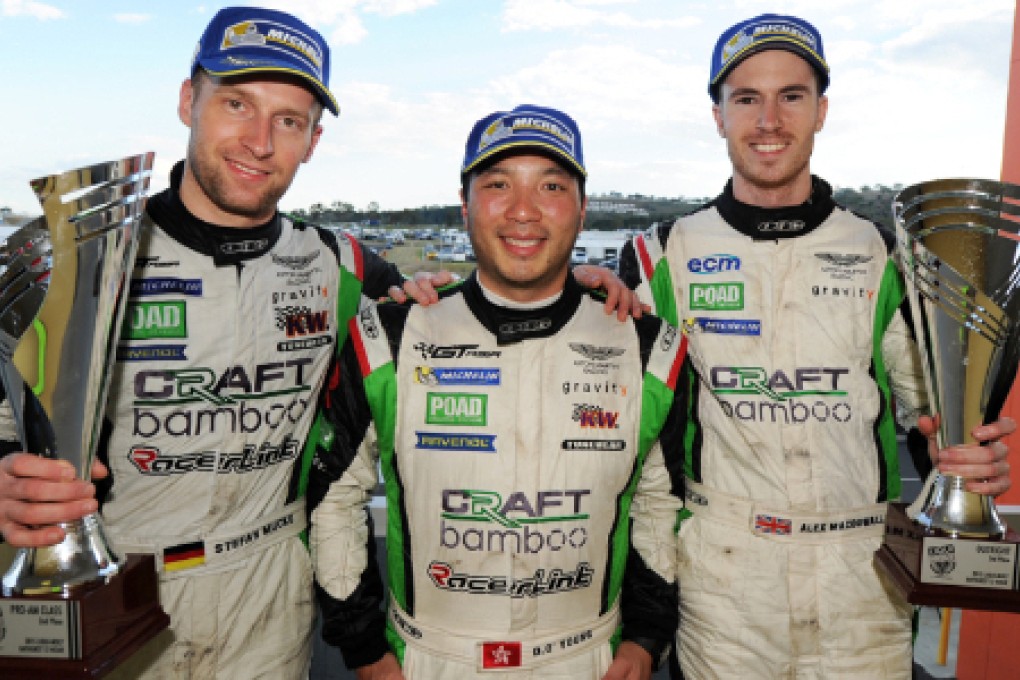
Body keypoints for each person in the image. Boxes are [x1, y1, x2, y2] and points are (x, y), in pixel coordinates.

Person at [0, 6, 466, 678]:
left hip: (270, 588)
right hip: (117, 585)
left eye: (288, 120)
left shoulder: (346, 267)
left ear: (312, 141)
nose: (259, 140)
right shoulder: (72, 258)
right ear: (190, 100)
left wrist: (594, 288)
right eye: (237, 103)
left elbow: (476, 321)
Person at [617, 13, 1014, 679]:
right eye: (746, 98)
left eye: (791, 96)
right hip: (724, 583)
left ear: (821, 110)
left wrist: (965, 459)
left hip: (862, 582)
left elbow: (935, 416)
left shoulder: (887, 254)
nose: (768, 120)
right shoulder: (659, 254)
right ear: (718, 115)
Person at [307, 104, 688, 680]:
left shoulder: (647, 346)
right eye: (498, 185)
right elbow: (334, 497)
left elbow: (661, 502)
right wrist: (365, 653)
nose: (524, 211)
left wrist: (644, 639)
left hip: (588, 654)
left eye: (552, 186)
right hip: (430, 658)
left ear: (581, 210)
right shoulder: (388, 335)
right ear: (465, 207)